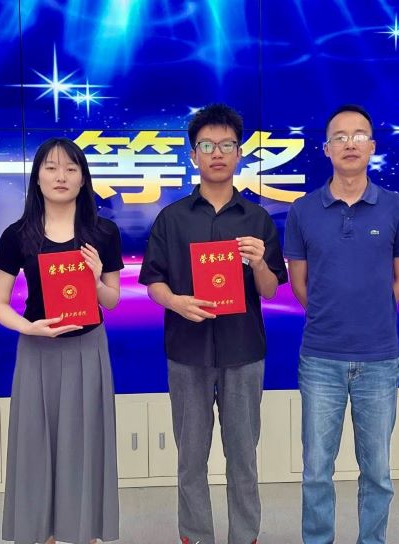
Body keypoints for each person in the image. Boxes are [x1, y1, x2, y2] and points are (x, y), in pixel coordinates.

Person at [139, 103, 288, 544]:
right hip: (187, 350)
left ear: (239, 153)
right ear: (193, 155)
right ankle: (195, 536)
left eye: (226, 145)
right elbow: (153, 282)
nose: (217, 153)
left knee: (243, 457)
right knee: (191, 458)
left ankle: (246, 536)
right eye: (206, 145)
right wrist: (176, 302)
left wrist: (259, 263)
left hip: (244, 351)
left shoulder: (257, 219)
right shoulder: (172, 218)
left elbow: (270, 290)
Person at [284, 104, 399, 544]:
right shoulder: (303, 210)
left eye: (359, 135)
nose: (350, 144)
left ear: (372, 146)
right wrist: (333, 313)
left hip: (379, 359)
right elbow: (299, 283)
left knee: (377, 471)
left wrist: (369, 312)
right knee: (316, 470)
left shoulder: (396, 208)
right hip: (320, 358)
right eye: (339, 137)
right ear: (326, 149)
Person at [0, 137, 123, 544]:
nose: (60, 176)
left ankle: (84, 532)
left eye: (70, 168)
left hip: (88, 349)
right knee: (37, 444)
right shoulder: (18, 235)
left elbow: (112, 301)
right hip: (37, 350)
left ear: (83, 179)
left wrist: (96, 277)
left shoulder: (103, 232)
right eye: (50, 167)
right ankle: (42, 533)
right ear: (37, 178)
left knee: (85, 444)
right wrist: (28, 328)